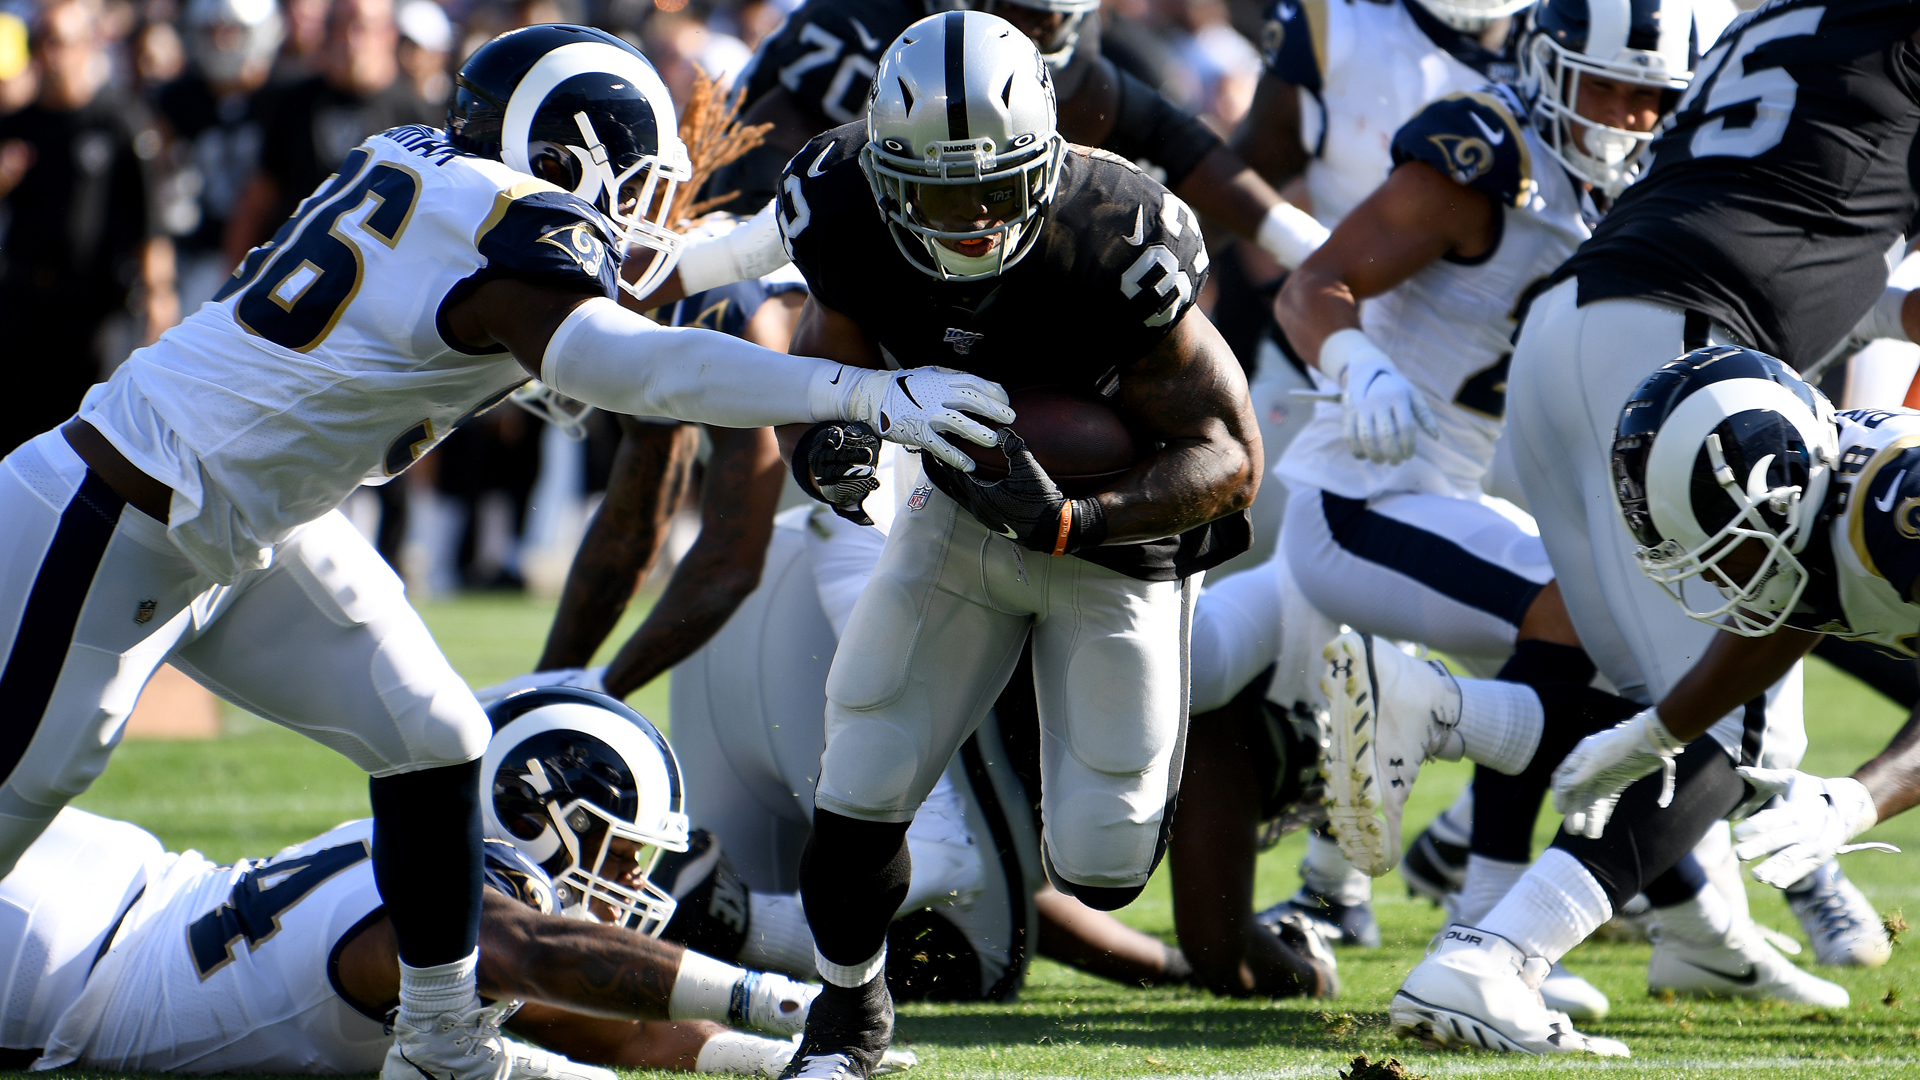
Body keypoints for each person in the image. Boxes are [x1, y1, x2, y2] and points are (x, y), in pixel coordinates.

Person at [0, 22, 1011, 1080]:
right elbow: (637, 366)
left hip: (234, 522)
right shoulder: (502, 232)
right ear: (568, 158)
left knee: (434, 732)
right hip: (109, 523)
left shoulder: (425, 170)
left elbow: (612, 282)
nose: (638, 210)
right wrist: (860, 393)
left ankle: (440, 1039)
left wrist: (757, 245)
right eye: (631, 183)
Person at [771, 14, 1260, 1077]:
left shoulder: (1118, 231)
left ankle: (1276, 743)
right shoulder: (841, 204)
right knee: (862, 759)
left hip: (1119, 535)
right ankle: (847, 1016)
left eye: (996, 188)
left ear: (1048, 158)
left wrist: (1079, 520)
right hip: (963, 507)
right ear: (886, 168)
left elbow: (1229, 454)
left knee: (1102, 863)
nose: (974, 219)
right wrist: (827, 449)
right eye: (941, 194)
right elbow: (821, 370)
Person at [1266, 0, 1704, 1019]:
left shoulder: (1648, 184)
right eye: (1608, 85)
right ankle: (1496, 902)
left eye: (1653, 99)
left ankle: (1492, 915)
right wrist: (1355, 355)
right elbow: (1315, 284)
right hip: (1359, 500)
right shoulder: (1484, 154)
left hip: (1454, 497)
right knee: (1584, 622)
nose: (1629, 117)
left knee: (1617, 640)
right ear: (1550, 64)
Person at [0, 691, 889, 1077]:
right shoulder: (483, 918)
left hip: (104, 895)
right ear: (542, 817)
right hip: (62, 954)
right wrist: (778, 1003)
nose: (628, 888)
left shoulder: (435, 887)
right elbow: (533, 953)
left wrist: (778, 1056)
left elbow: (598, 1029)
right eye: (619, 856)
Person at [0, 0, 179, 455]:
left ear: (88, 46)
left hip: (94, 314)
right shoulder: (19, 127)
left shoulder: (119, 122)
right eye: (42, 43)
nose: (51, 55)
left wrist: (159, 300)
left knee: (84, 442)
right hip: (23, 307)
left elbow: (150, 224)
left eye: (60, 42)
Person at [223, 0, 435, 264]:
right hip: (295, 275)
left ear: (389, 33)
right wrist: (232, 280)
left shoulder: (416, 117)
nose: (350, 39)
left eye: (363, 27)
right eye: (339, 26)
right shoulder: (293, 102)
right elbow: (259, 196)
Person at [155, 0, 283, 313]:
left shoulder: (283, 97)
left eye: (232, 31)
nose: (220, 41)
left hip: (267, 259)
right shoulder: (177, 100)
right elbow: (155, 175)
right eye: (211, 31)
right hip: (192, 256)